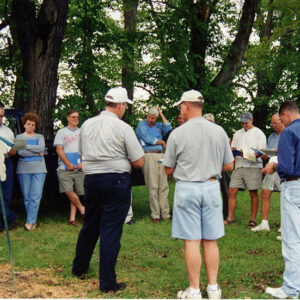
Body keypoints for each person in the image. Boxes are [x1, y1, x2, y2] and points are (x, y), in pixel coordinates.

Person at [72, 87, 144, 293]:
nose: (125, 109)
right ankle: (108, 283)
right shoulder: (123, 128)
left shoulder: (86, 125)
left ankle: (79, 268)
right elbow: (139, 161)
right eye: (125, 106)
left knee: (90, 225)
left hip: (92, 179)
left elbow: (81, 152)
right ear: (121, 105)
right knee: (110, 231)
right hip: (116, 180)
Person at [163, 90, 234, 299]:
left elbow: (167, 169)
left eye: (180, 106)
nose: (180, 110)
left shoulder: (177, 133)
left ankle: (194, 290)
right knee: (211, 240)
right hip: (212, 187)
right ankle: (213, 288)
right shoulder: (218, 131)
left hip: (187, 188)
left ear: (186, 105)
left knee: (192, 240)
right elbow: (229, 164)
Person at [262, 101, 300, 299]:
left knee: (292, 238)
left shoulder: (288, 133)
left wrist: (272, 167)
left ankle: (291, 288)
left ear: (285, 114)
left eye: (281, 119)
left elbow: (286, 167)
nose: (281, 123)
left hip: (293, 186)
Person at [227, 112, 266, 228]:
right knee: (232, 190)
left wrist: (248, 155)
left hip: (253, 166)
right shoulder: (237, 133)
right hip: (239, 165)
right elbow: (233, 147)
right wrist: (234, 151)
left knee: (253, 192)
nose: (244, 125)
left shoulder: (259, 133)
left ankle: (252, 219)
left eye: (246, 123)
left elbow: (262, 152)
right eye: (242, 123)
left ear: (251, 120)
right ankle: (230, 217)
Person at [136, 106, 172, 222]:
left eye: (153, 118)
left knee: (163, 185)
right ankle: (155, 215)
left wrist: (161, 114)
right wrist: (161, 141)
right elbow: (147, 138)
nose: (151, 120)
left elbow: (168, 127)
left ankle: (166, 214)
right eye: (149, 117)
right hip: (149, 155)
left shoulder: (158, 125)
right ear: (147, 115)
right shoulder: (141, 125)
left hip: (161, 155)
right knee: (153, 186)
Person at [251, 113, 285, 232]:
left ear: (282, 121)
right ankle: (264, 223)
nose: (274, 125)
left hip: (283, 168)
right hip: (271, 167)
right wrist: (264, 155)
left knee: (285, 197)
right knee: (265, 193)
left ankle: (284, 225)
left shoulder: (288, 134)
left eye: (276, 123)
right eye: (272, 123)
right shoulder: (271, 136)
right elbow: (267, 155)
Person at [16, 113, 47, 231]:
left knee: (36, 196)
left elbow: (41, 149)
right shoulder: (18, 137)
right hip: (23, 169)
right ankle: (31, 221)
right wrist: (36, 151)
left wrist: (26, 146)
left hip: (39, 169)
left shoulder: (40, 137)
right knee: (27, 197)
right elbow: (20, 153)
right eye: (28, 124)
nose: (30, 126)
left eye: (33, 125)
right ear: (24, 124)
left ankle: (30, 222)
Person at [54, 110, 85, 226]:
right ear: (68, 118)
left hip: (79, 167)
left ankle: (72, 219)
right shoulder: (61, 132)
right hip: (64, 167)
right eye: (73, 117)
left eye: (77, 117)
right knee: (68, 190)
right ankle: (83, 210)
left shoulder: (82, 132)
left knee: (77, 192)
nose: (75, 119)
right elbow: (59, 149)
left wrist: (83, 162)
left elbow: (85, 149)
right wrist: (67, 163)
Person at [203, 113, 232, 224]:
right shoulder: (202, 135)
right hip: (208, 167)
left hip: (223, 166)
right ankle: (210, 215)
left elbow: (228, 147)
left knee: (226, 190)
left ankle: (226, 215)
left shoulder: (221, 132)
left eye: (212, 122)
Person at [0, 107, 17, 232]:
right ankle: (9, 217)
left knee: (5, 193)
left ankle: (4, 222)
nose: (0, 118)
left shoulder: (8, 131)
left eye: (1, 116)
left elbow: (13, 148)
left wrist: (13, 151)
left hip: (5, 162)